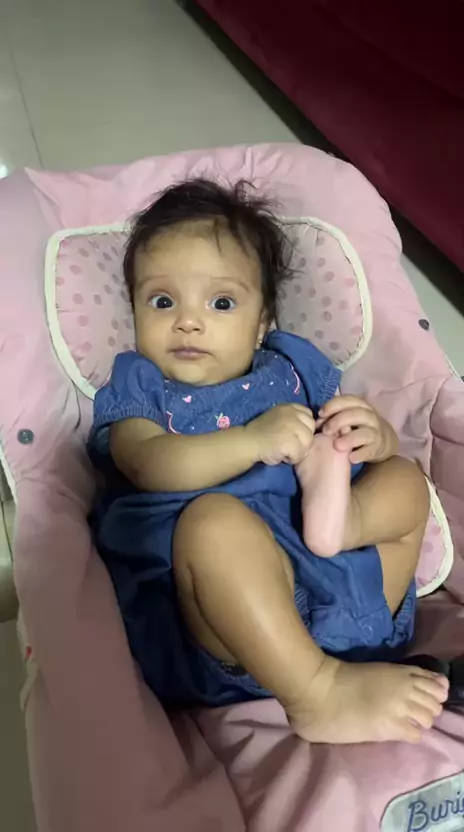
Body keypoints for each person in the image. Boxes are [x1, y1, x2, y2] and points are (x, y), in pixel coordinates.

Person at [88, 179, 448, 746]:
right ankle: (318, 692)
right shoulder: (140, 386)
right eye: (162, 302)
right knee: (211, 525)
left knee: (404, 479)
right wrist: (253, 441)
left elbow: (350, 434)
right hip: (233, 626)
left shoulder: (291, 368)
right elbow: (149, 464)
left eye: (221, 303)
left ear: (262, 324)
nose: (188, 322)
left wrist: (372, 437)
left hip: (344, 586)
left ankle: (341, 523)